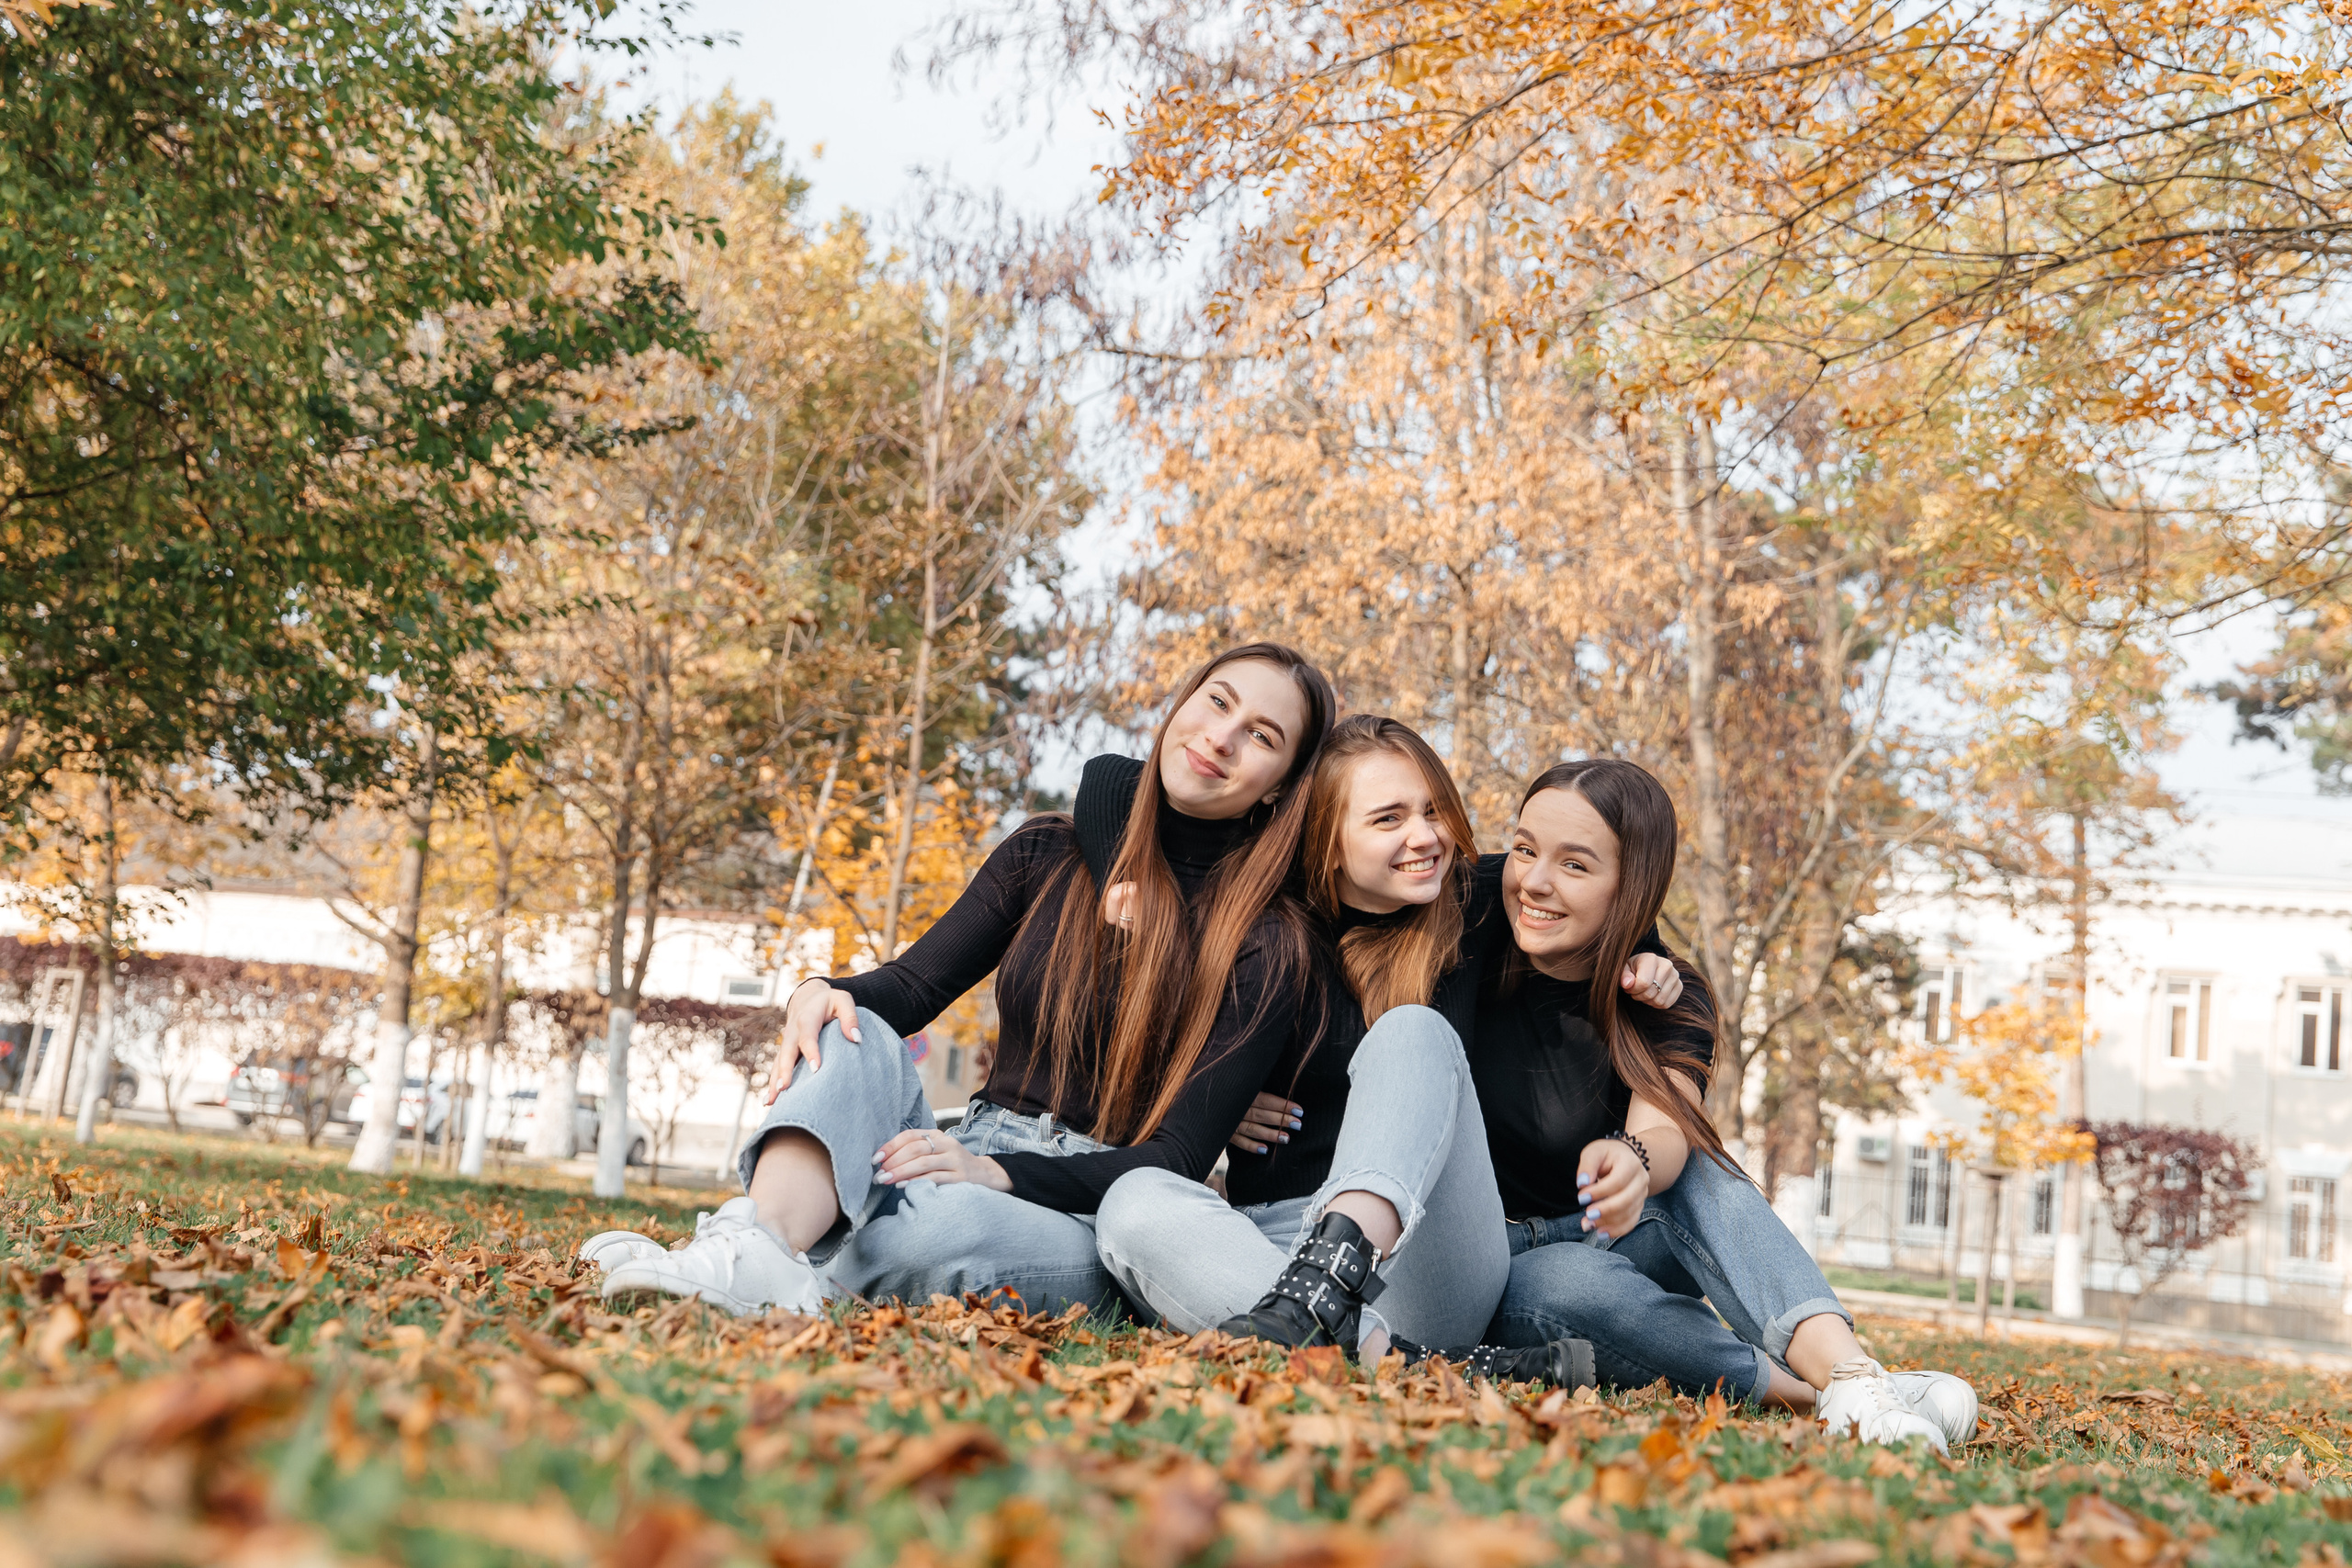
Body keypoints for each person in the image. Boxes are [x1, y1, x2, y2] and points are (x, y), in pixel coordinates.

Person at [580, 643, 1336, 1317]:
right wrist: (821, 988)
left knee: (937, 1231)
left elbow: (1174, 1159)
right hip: (960, 1146)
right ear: (1183, 704)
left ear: (1280, 786)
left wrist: (993, 1172)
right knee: (853, 1027)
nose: (1222, 736)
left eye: (1262, 736)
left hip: (1084, 1208)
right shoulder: (1047, 853)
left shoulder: (1269, 940)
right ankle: (760, 1245)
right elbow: (909, 989)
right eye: (1218, 701)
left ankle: (753, 1252)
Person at [1085, 717, 1681, 1372]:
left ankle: (1335, 1300)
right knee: (1133, 1202)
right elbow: (1112, 777)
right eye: (1388, 818)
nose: (1425, 837)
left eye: (1433, 810)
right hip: (1273, 1242)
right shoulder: (1260, 920)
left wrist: (1647, 956)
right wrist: (1216, 1090)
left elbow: (1601, 891)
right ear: (1327, 841)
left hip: (1421, 1256)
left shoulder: (1470, 900)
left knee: (1412, 1029)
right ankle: (1409, 1360)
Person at [1465, 759, 1977, 1451]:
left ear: (1632, 887)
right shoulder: (1467, 917)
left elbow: (1667, 1135)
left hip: (1609, 1230)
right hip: (1497, 1262)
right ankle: (1833, 1392)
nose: (1533, 881)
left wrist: (1633, 1159)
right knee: (1570, 1286)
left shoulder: (1669, 996)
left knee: (1702, 1162)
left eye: (1575, 865)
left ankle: (1850, 1373)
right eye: (1525, 848)